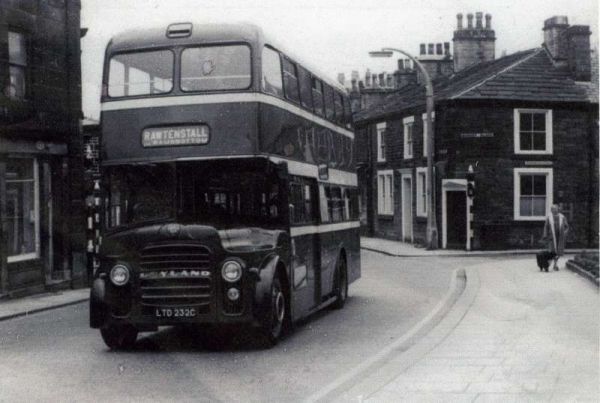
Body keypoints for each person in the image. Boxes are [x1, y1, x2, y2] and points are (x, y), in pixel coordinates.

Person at [542, 204, 569, 271]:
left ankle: (555, 264)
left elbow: (566, 227)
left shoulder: (562, 217)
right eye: (552, 209)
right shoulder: (549, 217)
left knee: (559, 251)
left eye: (554, 209)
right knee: (552, 251)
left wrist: (564, 234)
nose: (553, 210)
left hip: (560, 237)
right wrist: (545, 235)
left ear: (558, 209)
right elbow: (546, 227)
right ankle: (549, 263)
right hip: (552, 237)